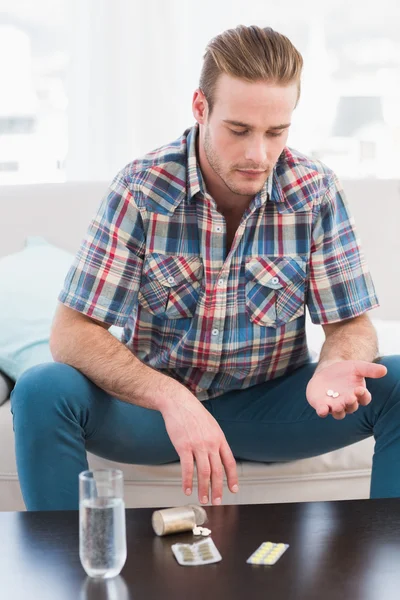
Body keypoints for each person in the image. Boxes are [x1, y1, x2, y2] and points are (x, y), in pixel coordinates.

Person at [11, 25, 398, 512]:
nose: (259, 154)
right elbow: (72, 332)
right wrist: (172, 399)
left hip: (269, 406)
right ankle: (65, 574)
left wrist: (337, 364)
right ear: (200, 108)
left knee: (398, 381)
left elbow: (351, 324)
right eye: (239, 130)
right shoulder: (141, 189)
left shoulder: (315, 190)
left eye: (276, 132)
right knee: (42, 389)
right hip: (154, 414)